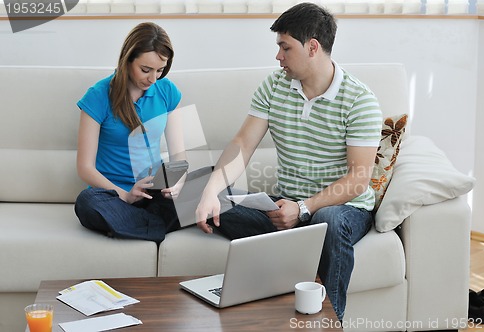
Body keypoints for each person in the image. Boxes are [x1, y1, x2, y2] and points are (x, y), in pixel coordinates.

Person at [195, 3, 383, 321]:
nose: (278, 56)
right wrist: (212, 189)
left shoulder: (359, 100)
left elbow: (357, 181)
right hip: (286, 208)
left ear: (312, 47)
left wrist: (304, 208)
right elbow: (242, 143)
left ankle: (329, 321)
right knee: (202, 191)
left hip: (344, 210)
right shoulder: (274, 86)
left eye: (285, 47)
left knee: (330, 220)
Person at [75, 22, 186, 244]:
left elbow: (179, 156)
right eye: (145, 70)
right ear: (127, 60)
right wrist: (125, 195)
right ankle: (159, 225)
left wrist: (178, 184)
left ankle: (129, 226)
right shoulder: (98, 95)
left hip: (154, 191)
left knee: (211, 189)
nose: (153, 78)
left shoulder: (167, 91)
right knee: (86, 202)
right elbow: (84, 168)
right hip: (113, 195)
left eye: (160, 70)